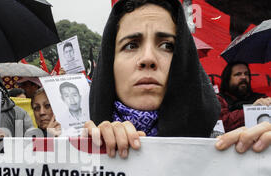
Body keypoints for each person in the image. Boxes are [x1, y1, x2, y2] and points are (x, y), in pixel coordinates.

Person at [85, 0, 270, 157]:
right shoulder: (74, 150)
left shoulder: (225, 152)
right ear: (110, 62)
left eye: (167, 45)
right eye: (131, 45)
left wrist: (258, 162)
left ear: (184, 58)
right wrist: (88, 152)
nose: (148, 58)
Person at [218, 62, 271, 132]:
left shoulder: (261, 98)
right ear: (228, 79)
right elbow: (224, 123)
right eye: (238, 74)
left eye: (246, 74)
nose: (243, 77)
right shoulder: (219, 99)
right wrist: (252, 109)